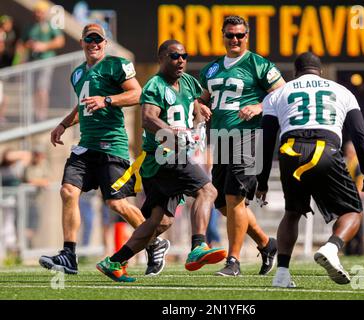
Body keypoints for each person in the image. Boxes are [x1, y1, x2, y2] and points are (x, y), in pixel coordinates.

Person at [38, 23, 169, 276]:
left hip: (113, 145)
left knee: (116, 204)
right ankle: (69, 254)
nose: (94, 43)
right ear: (82, 42)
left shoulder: (115, 65)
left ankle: (155, 242)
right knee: (67, 191)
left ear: (105, 42)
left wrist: (107, 99)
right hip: (86, 146)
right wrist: (64, 124)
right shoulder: (77, 74)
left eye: (99, 39)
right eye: (90, 39)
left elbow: (137, 94)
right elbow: (83, 106)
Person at [96, 39, 227, 282]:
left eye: (184, 56)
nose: (181, 61)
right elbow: (147, 119)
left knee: (161, 221)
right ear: (161, 58)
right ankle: (198, 245)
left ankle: (114, 261)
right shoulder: (155, 85)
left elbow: (195, 102)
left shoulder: (188, 82)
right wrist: (174, 132)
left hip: (171, 157)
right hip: (162, 154)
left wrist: (200, 113)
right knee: (207, 190)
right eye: (174, 56)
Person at [258, 52, 364, 287]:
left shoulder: (278, 93)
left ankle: (282, 273)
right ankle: (332, 249)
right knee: (353, 211)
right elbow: (361, 136)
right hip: (325, 149)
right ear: (320, 72)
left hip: (290, 150)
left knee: (292, 212)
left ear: (295, 73)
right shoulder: (342, 91)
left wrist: (261, 181)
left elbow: (266, 139)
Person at [198, 16, 284, 276]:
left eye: (240, 35)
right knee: (223, 203)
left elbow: (281, 92)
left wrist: (259, 106)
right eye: (230, 35)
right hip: (222, 138)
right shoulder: (211, 69)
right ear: (222, 35)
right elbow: (203, 98)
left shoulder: (258, 63)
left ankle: (233, 260)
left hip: (247, 136)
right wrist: (200, 106)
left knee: (236, 197)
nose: (235, 40)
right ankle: (266, 243)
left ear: (247, 36)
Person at [17, 0, 65, 120]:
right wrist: (27, 47)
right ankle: (35, 114)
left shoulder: (50, 25)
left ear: (45, 13)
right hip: (32, 61)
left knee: (42, 87)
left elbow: (60, 41)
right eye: (36, 12)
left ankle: (41, 114)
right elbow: (21, 44)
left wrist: (44, 46)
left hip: (46, 60)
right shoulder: (29, 26)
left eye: (41, 12)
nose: (38, 14)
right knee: (32, 89)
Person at [343, 141, 364, 256]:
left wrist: (357, 194)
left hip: (355, 197)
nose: (348, 153)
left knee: (357, 223)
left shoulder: (356, 162)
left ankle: (358, 250)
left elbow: (360, 180)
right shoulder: (349, 162)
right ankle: (349, 249)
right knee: (349, 221)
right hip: (349, 196)